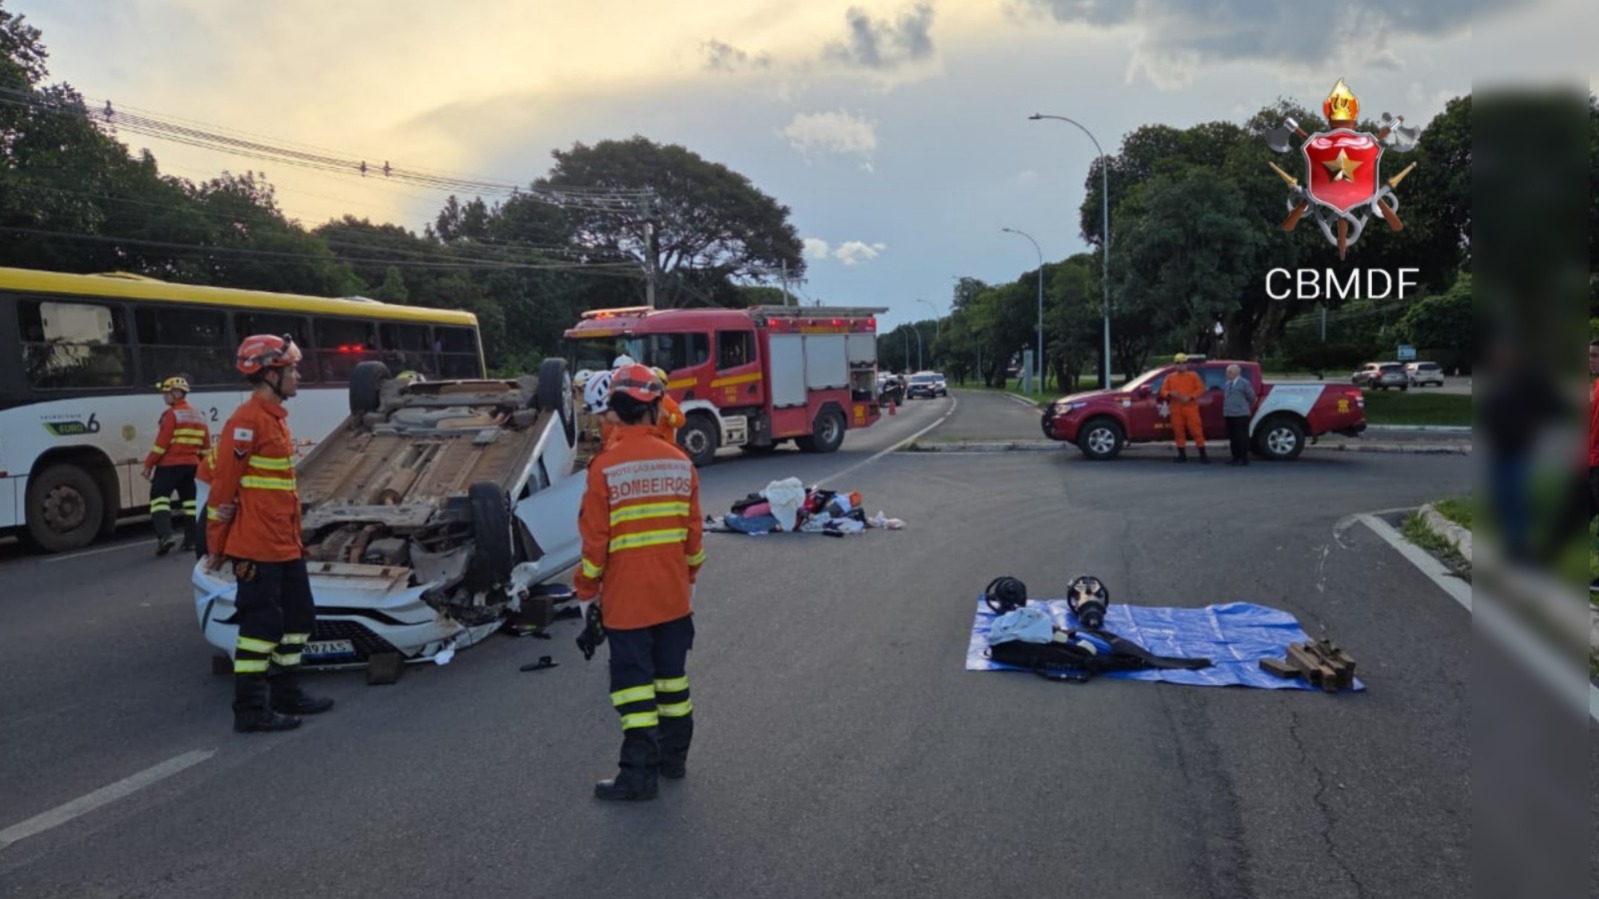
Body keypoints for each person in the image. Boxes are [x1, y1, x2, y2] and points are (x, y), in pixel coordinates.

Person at [574, 363, 705, 801]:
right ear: (653, 407)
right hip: (673, 599)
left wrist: (587, 591)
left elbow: (595, 544)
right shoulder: (682, 463)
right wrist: (685, 577)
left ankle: (638, 775)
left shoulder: (605, 468)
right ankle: (674, 761)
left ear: (614, 410)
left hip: (627, 605)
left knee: (634, 690)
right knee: (673, 683)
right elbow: (694, 538)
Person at [206, 334, 334, 733]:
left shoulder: (275, 419)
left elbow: (280, 493)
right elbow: (223, 487)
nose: (298, 375)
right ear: (269, 374)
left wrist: (297, 541)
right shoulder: (246, 422)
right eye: (291, 369)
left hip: (283, 545)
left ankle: (287, 691)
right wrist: (216, 545)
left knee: (299, 618)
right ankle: (250, 709)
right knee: (260, 629)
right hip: (256, 547)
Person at [142, 375, 210, 555]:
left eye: (167, 393)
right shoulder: (199, 416)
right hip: (192, 466)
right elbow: (205, 448)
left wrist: (149, 465)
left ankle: (165, 536)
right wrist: (204, 468)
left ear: (178, 393)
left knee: (159, 498)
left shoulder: (171, 415)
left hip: (170, 465)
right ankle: (192, 541)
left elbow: (161, 444)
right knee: (190, 503)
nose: (164, 397)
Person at [1159, 353, 1208, 463]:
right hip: (1176, 408)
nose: (1181, 365)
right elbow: (1163, 391)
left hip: (1190, 407)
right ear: (1175, 365)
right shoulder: (1170, 377)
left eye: (1183, 363)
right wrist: (1170, 394)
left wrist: (1191, 397)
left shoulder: (1193, 376)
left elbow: (1200, 388)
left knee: (1196, 431)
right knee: (1178, 431)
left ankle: (1203, 454)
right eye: (1178, 363)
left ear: (1186, 364)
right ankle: (1182, 455)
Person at [1222, 364, 1257, 466]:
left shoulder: (1244, 383)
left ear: (1236, 373)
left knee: (1242, 437)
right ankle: (1235, 457)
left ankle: (1244, 458)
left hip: (1241, 414)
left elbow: (1252, 397)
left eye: (1229, 372)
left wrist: (1245, 408)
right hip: (1229, 414)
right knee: (1233, 437)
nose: (1227, 374)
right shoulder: (1228, 383)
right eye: (1227, 372)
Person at [652, 366, 685, 446]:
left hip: (666, 447)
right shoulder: (642, 401)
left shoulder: (668, 403)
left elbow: (681, 421)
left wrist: (669, 417)